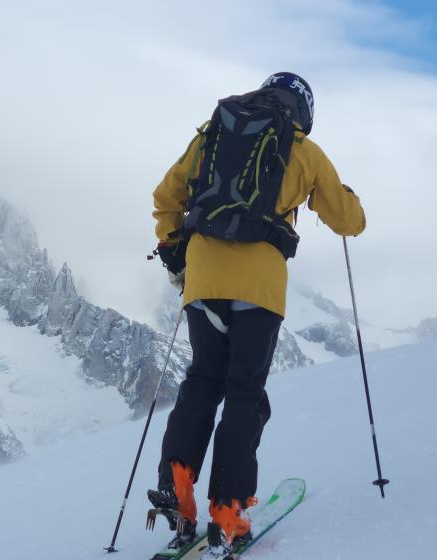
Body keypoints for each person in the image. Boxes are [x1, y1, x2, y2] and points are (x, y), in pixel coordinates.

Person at [146, 72, 366, 557]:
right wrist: (344, 194)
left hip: (202, 278)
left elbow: (167, 197)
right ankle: (229, 511)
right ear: (302, 111)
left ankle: (178, 488)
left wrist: (174, 247)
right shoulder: (304, 150)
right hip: (259, 287)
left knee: (203, 380)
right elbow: (350, 222)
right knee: (244, 391)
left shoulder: (213, 134)